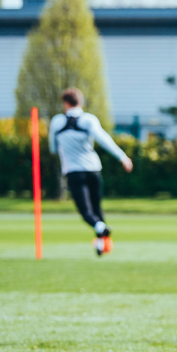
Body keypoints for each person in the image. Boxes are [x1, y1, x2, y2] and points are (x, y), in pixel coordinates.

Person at [49, 88, 133, 256]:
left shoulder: (57, 122)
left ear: (65, 103)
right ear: (80, 102)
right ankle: (102, 245)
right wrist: (122, 157)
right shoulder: (88, 120)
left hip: (74, 172)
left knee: (86, 212)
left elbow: (52, 148)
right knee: (97, 208)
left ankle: (101, 231)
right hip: (94, 169)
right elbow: (104, 139)